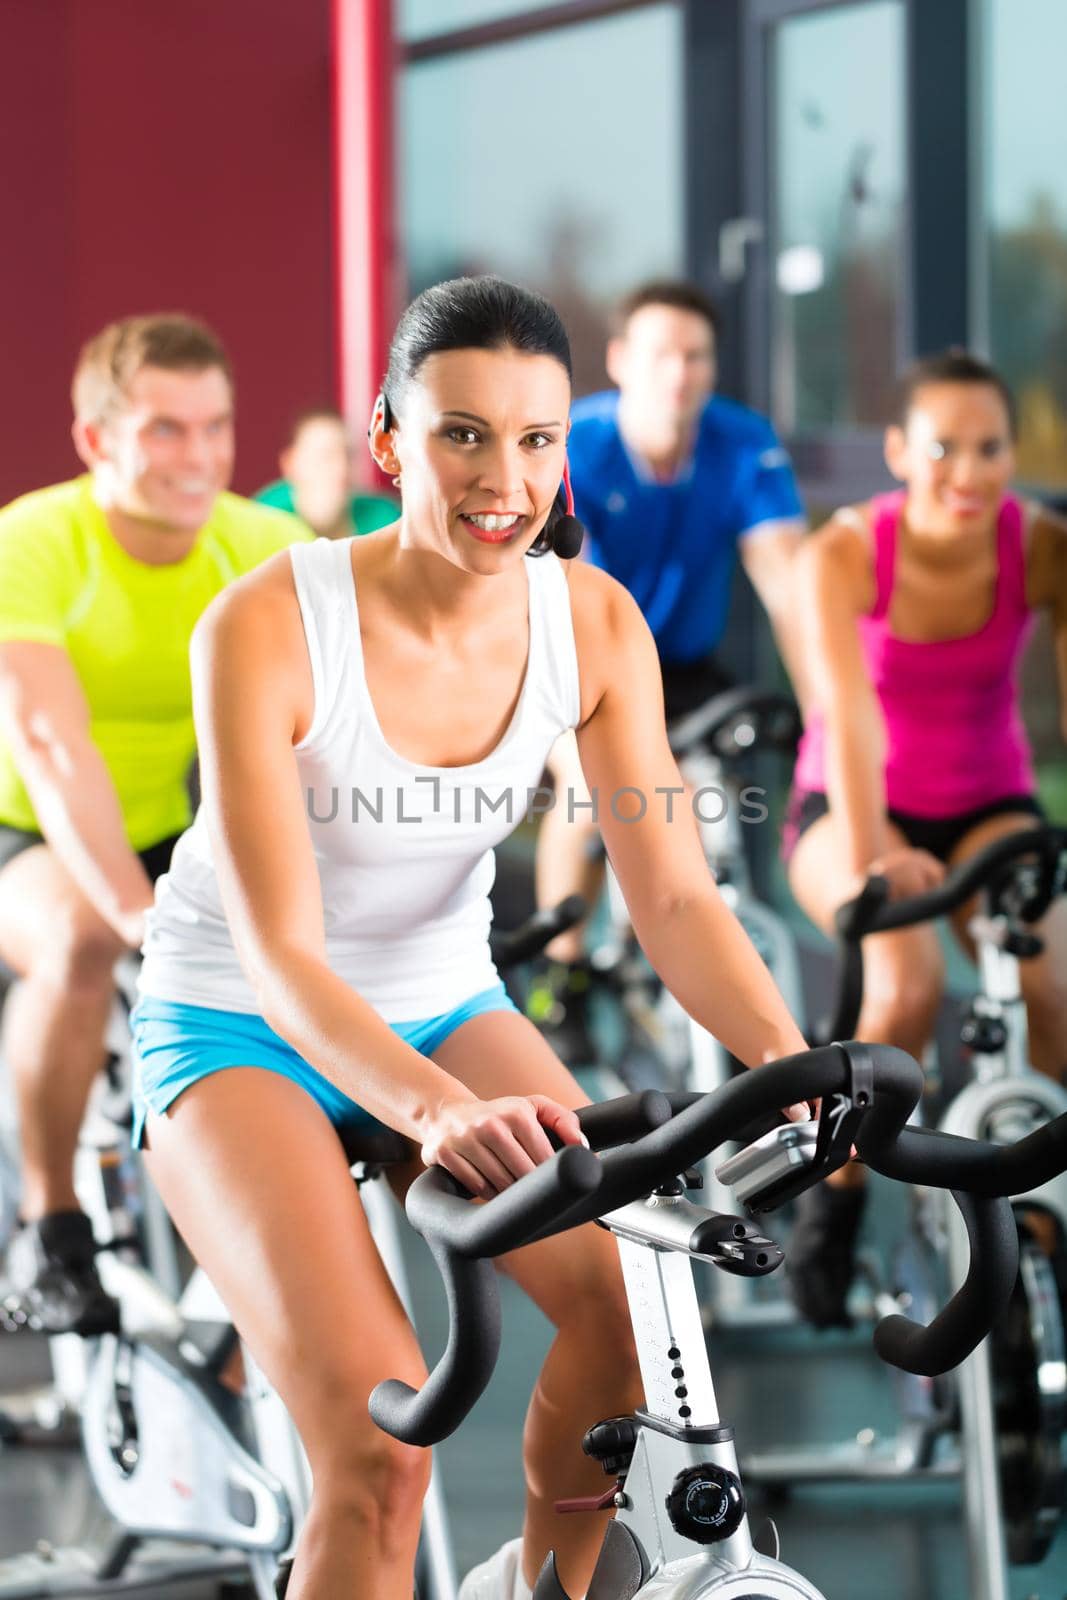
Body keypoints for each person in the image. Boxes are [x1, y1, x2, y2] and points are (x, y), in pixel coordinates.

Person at [131, 276, 812, 1600]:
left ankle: (536, 1591)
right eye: (460, 434)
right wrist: (432, 1111)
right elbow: (279, 955)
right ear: (387, 439)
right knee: (379, 1457)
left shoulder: (592, 624)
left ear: (567, 451)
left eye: (536, 439)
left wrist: (793, 1068)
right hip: (235, 1019)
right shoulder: (267, 625)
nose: (503, 480)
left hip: (441, 999)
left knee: (626, 1323)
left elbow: (667, 892)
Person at [0, 313, 311, 1335]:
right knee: (83, 936)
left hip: (161, 827)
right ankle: (46, 1225)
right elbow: (50, 745)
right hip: (22, 823)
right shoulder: (34, 541)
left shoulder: (259, 543)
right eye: (165, 431)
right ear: (97, 441)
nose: (199, 458)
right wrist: (137, 914)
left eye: (214, 429)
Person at [784, 348, 1067, 1327]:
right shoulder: (845, 551)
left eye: (989, 448)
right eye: (942, 447)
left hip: (988, 797)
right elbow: (848, 716)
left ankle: (1033, 1239)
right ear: (898, 450)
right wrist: (874, 851)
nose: (968, 471)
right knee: (901, 986)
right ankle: (837, 1198)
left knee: (1054, 983)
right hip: (851, 800)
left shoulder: (1038, 547)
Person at [528, 280, 808, 1065]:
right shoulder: (574, 446)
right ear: (619, 361)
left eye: (694, 356)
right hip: (581, 653)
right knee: (590, 800)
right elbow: (586, 606)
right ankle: (564, 976)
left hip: (685, 662)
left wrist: (827, 710)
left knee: (720, 808)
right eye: (659, 355)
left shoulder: (740, 442)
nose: (678, 373)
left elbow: (789, 591)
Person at [255, 405, 398, 539]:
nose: (342, 468)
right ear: (290, 464)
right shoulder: (262, 520)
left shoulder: (386, 518)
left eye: (349, 455)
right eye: (326, 455)